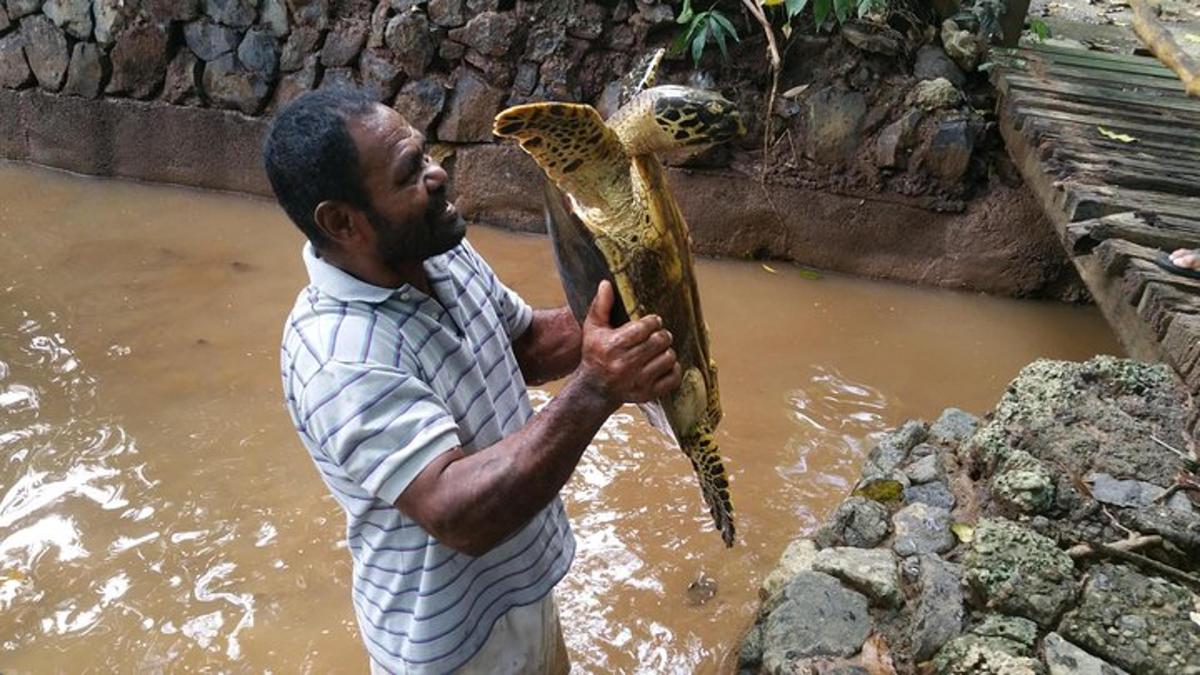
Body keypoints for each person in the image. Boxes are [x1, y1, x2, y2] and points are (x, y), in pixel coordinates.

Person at [262, 87, 682, 674]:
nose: (438, 174)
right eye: (411, 172)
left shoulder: (435, 249)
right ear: (341, 221)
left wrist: (630, 307)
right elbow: (457, 513)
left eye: (425, 153)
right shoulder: (337, 356)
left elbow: (522, 346)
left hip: (522, 591)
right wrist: (598, 386)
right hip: (447, 648)